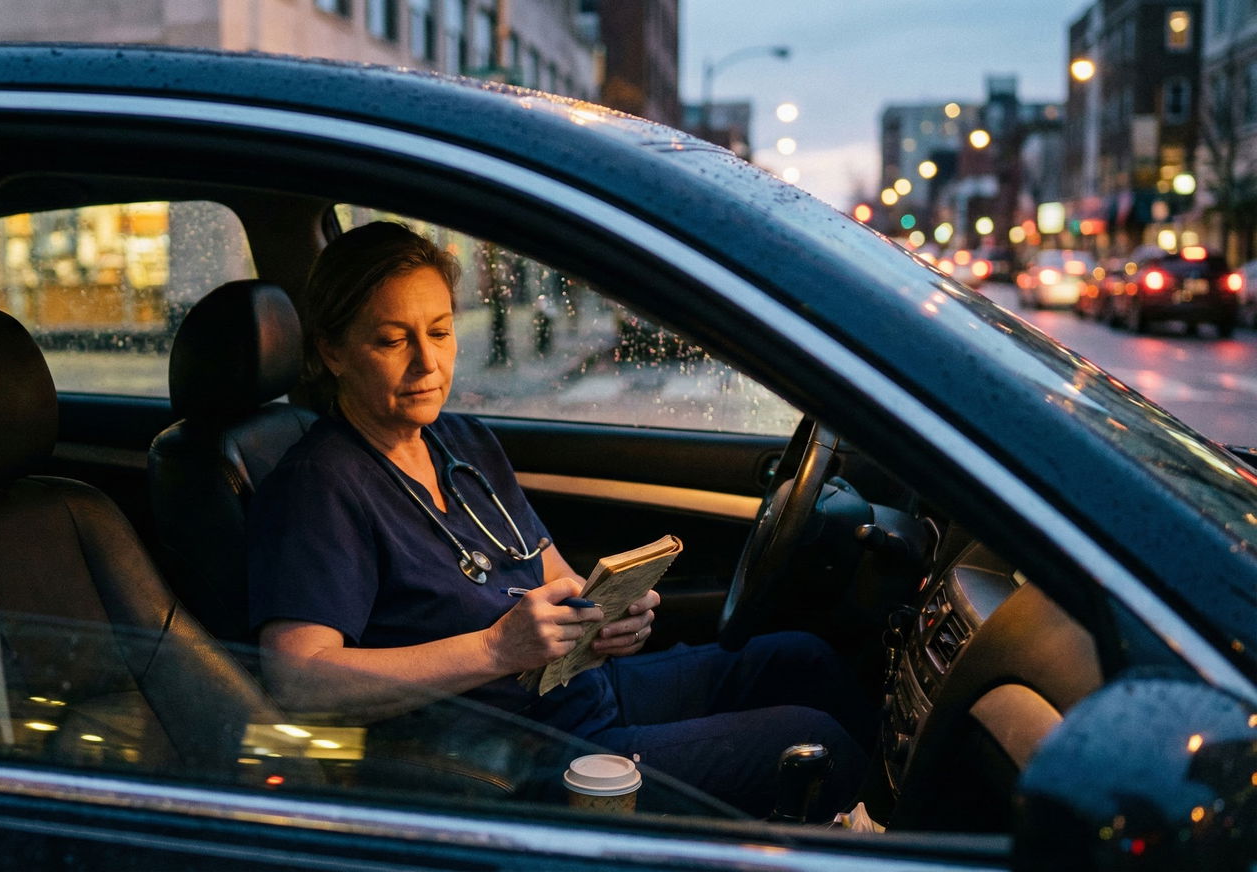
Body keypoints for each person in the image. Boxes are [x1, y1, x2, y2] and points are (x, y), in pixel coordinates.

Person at [247, 221, 872, 819]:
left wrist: (605, 621)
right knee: (814, 744)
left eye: (439, 332)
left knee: (803, 660)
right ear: (332, 351)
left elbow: (556, 577)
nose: (427, 363)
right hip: (509, 755)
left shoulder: (463, 442)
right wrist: (496, 648)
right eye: (392, 340)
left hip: (578, 696)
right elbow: (300, 681)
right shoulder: (319, 485)